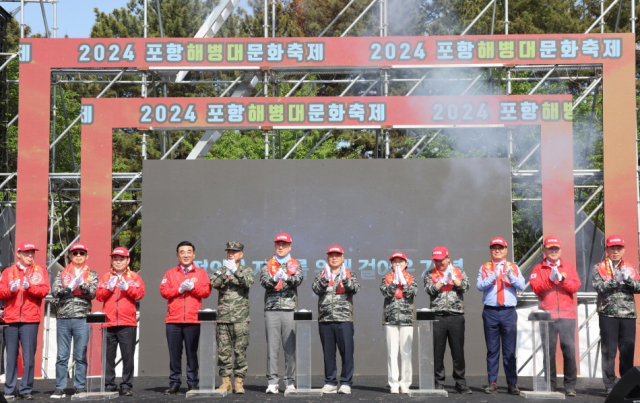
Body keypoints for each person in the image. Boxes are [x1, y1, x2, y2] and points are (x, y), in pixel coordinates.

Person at [529, 236, 581, 397]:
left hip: (567, 315)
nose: (553, 251)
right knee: (548, 352)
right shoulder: (538, 268)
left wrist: (562, 280)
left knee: (569, 351)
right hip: (547, 316)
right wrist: (551, 281)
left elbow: (575, 286)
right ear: (544, 250)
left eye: (556, 249)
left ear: (560, 250)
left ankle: (570, 386)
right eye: (550, 248)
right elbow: (536, 288)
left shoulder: (569, 267)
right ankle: (550, 385)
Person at [160, 241, 212, 395]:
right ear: (177, 256)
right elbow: (164, 291)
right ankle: (175, 383)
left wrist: (193, 288)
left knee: (192, 353)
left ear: (194, 255)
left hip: (193, 319)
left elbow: (206, 291)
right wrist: (179, 289)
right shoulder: (170, 273)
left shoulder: (201, 273)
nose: (186, 254)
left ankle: (192, 383)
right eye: (182, 252)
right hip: (173, 320)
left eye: (189, 251)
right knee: (174, 354)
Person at [592, 235, 640, 396]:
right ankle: (609, 384)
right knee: (609, 351)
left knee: (627, 350)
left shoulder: (630, 267)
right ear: (606, 249)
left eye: (619, 248)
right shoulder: (599, 267)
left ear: (623, 250)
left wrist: (627, 280)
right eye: (612, 248)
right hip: (608, 314)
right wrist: (614, 281)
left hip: (628, 314)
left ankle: (627, 384)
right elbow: (599, 287)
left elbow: (638, 287)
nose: (615, 251)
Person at [0, 242, 49, 400]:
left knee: (28, 356)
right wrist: (10, 290)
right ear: (19, 254)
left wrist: (30, 288)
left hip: (30, 319)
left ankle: (26, 389)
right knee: (11, 356)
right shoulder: (8, 271)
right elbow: (1, 293)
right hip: (11, 319)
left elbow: (44, 291)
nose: (30, 255)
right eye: (26, 253)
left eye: (32, 253)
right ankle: (9, 389)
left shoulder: (40, 270)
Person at [476, 237, 525, 395]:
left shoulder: (513, 267)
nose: (497, 250)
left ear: (506, 250)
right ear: (490, 250)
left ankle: (512, 383)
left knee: (510, 350)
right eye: (494, 248)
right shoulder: (485, 267)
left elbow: (521, 286)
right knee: (492, 350)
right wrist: (493, 276)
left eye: (500, 247)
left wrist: (511, 276)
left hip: (508, 312)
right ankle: (492, 382)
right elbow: (479, 286)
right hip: (490, 311)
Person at [96, 247, 146, 396]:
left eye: (121, 259)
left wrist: (128, 288)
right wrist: (109, 288)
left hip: (127, 322)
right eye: (115, 259)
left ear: (128, 260)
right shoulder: (105, 277)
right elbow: (99, 296)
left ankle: (126, 385)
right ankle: (109, 384)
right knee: (108, 357)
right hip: (109, 321)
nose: (118, 261)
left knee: (128, 356)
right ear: (112, 260)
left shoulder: (135, 277)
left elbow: (140, 294)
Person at [51, 242, 99, 398]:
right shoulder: (62, 273)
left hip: (81, 318)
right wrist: (65, 289)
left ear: (87, 256)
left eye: (82, 253)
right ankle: (59, 387)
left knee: (80, 355)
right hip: (63, 317)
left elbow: (93, 294)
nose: (78, 256)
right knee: (62, 356)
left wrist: (85, 288)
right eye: (75, 253)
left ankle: (79, 386)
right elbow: (54, 291)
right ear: (70, 255)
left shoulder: (91, 273)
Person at [311, 245, 360, 394]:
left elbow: (355, 288)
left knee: (346, 352)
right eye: (331, 255)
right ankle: (330, 382)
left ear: (342, 258)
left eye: (337, 255)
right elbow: (316, 289)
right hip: (325, 319)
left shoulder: (349, 274)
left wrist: (345, 280)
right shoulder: (321, 274)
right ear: (327, 258)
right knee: (328, 353)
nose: (334, 258)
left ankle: (346, 382)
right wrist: (325, 280)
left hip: (344, 318)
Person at [259, 233, 303, 394]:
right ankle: (272, 381)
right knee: (272, 347)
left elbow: (298, 280)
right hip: (271, 309)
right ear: (275, 245)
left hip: (289, 309)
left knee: (289, 347)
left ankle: (290, 381)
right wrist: (274, 278)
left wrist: (286, 277)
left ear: (290, 246)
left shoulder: (295, 264)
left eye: (284, 244)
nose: (281, 247)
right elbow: (264, 281)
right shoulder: (267, 263)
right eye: (278, 244)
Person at [424, 246, 472, 394]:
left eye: (441, 260)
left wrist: (453, 278)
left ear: (448, 258)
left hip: (456, 316)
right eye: (436, 261)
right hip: (437, 316)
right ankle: (438, 382)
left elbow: (465, 287)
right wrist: (442, 280)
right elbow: (429, 290)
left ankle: (460, 382)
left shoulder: (459, 272)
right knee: (438, 351)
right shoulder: (430, 273)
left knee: (458, 351)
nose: (439, 263)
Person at [210, 242, 254, 394]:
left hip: (241, 318)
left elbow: (248, 282)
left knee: (240, 351)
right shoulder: (221, 270)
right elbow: (213, 283)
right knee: (223, 351)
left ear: (241, 254)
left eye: (234, 252)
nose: (231, 254)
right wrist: (225, 272)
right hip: (223, 318)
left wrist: (235, 271)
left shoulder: (246, 270)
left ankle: (239, 382)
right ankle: (226, 382)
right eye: (229, 251)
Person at [380, 251, 417, 394]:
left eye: (400, 261)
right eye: (395, 262)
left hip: (407, 319)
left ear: (406, 264)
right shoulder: (387, 278)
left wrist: (403, 281)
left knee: (406, 353)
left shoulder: (412, 278)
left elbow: (412, 293)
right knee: (392, 353)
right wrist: (395, 282)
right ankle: (394, 383)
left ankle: (405, 383)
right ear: (391, 264)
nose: (397, 264)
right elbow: (386, 293)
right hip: (391, 319)